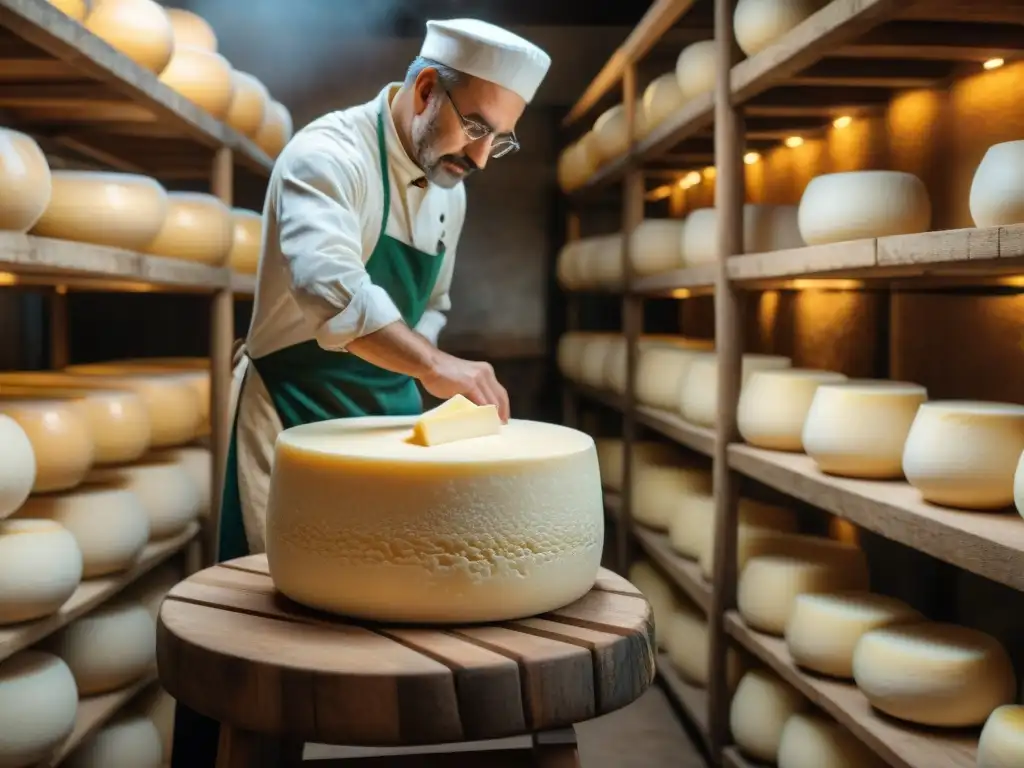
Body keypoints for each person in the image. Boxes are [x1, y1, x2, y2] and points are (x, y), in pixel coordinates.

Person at [170, 19, 551, 767]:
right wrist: (439, 370)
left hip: (387, 424)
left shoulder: (452, 189)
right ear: (423, 90)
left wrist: (424, 367)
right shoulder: (327, 155)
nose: (480, 156)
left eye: (499, 140)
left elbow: (430, 303)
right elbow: (334, 293)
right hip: (290, 419)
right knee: (262, 644)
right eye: (475, 126)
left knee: (381, 638)